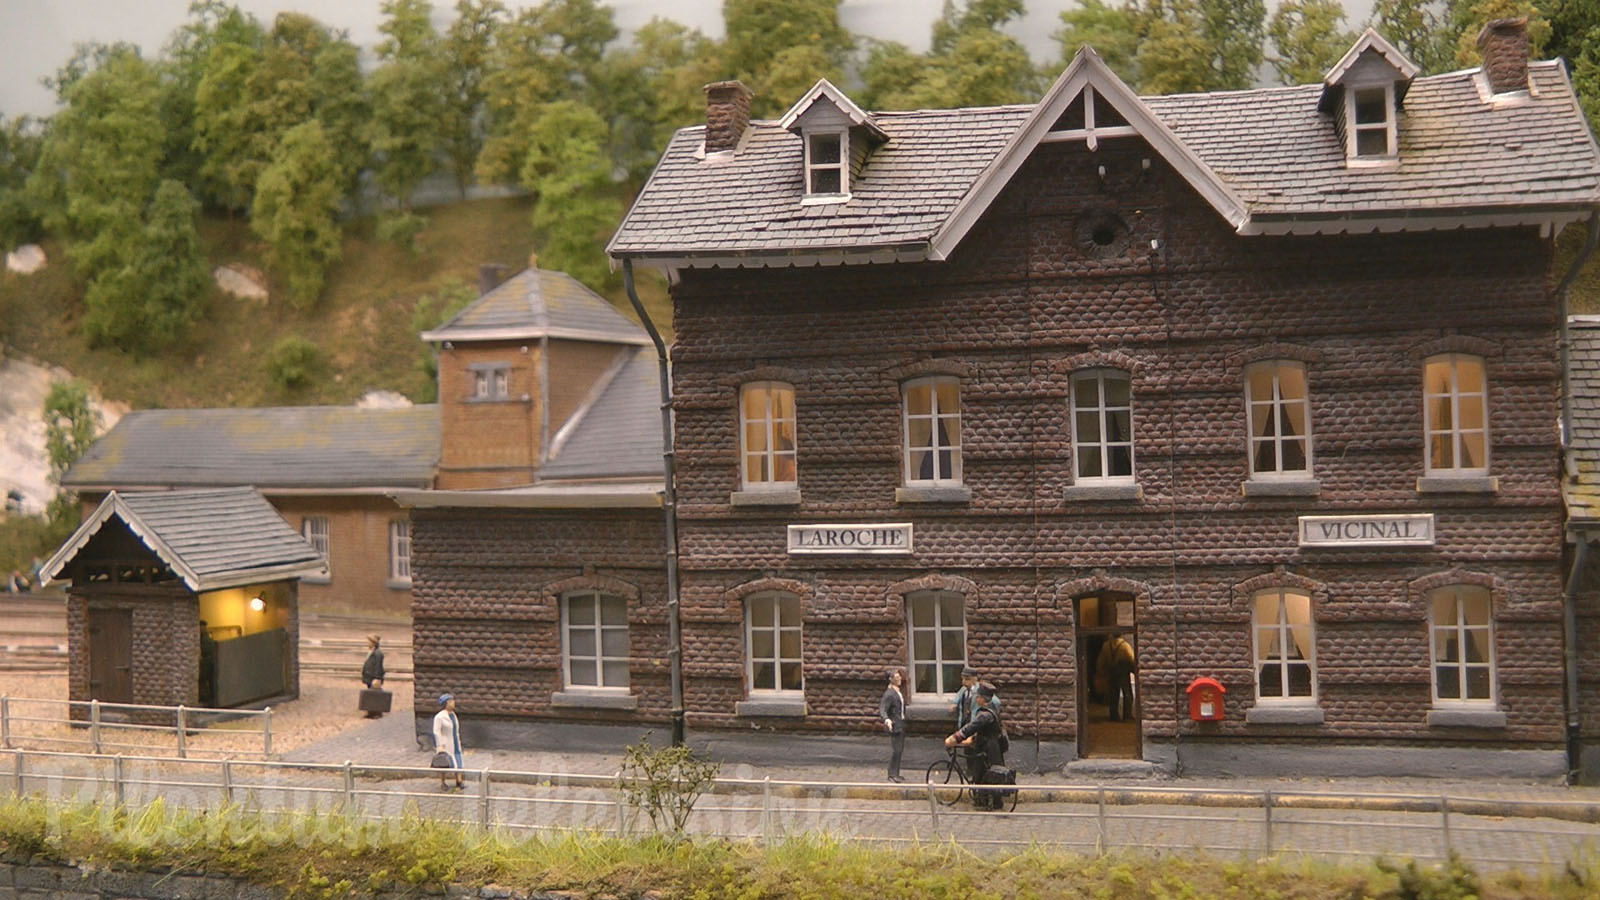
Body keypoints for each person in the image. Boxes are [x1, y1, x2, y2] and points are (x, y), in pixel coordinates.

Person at [945, 682, 1007, 810]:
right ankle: (987, 800)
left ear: (981, 699)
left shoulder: (984, 714)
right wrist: (972, 739)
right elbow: (984, 730)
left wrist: (954, 738)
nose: (976, 699)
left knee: (985, 773)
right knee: (988, 772)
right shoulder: (991, 709)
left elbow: (971, 727)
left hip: (987, 748)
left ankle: (988, 801)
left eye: (977, 697)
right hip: (991, 746)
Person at [1098, 631, 1137, 722]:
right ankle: (1127, 715)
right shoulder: (1125, 645)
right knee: (1127, 693)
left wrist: (1100, 670)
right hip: (1123, 672)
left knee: (1113, 694)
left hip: (1111, 671)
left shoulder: (1106, 645)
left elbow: (1101, 659)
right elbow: (1131, 658)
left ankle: (1114, 715)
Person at [879, 668, 906, 782]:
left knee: (899, 750)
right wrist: (887, 720)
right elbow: (882, 709)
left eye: (899, 676)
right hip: (895, 725)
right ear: (890, 679)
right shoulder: (889, 694)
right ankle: (891, 774)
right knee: (896, 750)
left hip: (901, 724)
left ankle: (896, 773)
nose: (899, 678)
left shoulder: (897, 691)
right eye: (896, 677)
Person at [433, 693, 464, 791]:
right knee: (445, 763)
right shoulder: (439, 717)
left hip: (454, 742)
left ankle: (459, 781)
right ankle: (442, 782)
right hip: (445, 744)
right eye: (450, 701)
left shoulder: (453, 715)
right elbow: (436, 731)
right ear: (446, 703)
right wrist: (439, 745)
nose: (453, 703)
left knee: (458, 761)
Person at [361, 634, 386, 718]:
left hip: (373, 677)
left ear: (373, 643)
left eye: (369, 641)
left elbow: (378, 667)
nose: (368, 643)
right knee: (370, 694)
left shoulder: (378, 654)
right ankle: (371, 711)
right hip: (369, 677)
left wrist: (377, 678)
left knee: (375, 695)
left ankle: (376, 712)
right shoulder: (372, 652)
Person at [197, 621, 217, 707]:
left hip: (207, 663)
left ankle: (209, 700)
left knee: (207, 682)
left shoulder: (205, 640)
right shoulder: (205, 639)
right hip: (207, 663)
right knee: (207, 682)